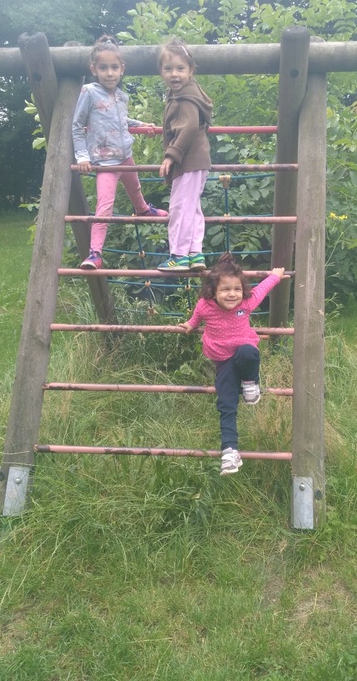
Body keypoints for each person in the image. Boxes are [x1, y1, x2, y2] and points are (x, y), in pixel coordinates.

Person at [179, 253, 285, 475]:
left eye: (237, 289)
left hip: (243, 352)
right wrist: (190, 324)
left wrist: (275, 276)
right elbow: (196, 317)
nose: (232, 294)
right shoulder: (205, 305)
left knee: (249, 352)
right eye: (225, 289)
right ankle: (229, 452)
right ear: (213, 291)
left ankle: (250, 383)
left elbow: (261, 290)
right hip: (223, 361)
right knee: (226, 403)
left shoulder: (246, 302)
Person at [72, 35, 167, 270]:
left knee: (135, 188)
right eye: (103, 68)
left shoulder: (121, 96)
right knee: (105, 206)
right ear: (93, 69)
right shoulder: (89, 92)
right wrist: (82, 157)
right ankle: (95, 253)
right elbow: (77, 125)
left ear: (122, 69)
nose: (109, 73)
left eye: (114, 67)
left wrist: (141, 125)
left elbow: (122, 121)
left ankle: (143, 210)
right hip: (105, 163)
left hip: (125, 156)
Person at [157, 39, 213, 273]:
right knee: (192, 207)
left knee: (179, 207)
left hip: (188, 160)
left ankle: (179, 255)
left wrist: (171, 155)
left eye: (180, 68)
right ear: (161, 71)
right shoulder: (184, 94)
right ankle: (194, 252)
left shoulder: (185, 99)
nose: (174, 74)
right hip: (197, 160)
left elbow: (188, 127)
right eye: (168, 68)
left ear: (190, 70)